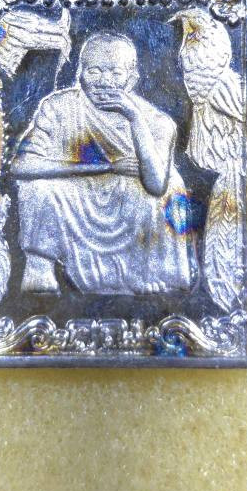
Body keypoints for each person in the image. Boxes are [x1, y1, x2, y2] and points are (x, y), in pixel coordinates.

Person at [11, 32, 196, 295]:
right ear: (80, 73)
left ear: (132, 78)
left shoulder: (157, 122)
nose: (104, 81)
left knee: (170, 187)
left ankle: (145, 272)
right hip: (76, 193)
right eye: (94, 71)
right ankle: (40, 268)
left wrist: (134, 119)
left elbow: (157, 185)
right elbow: (21, 166)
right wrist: (105, 167)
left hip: (130, 200)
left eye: (115, 73)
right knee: (38, 188)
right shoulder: (59, 107)